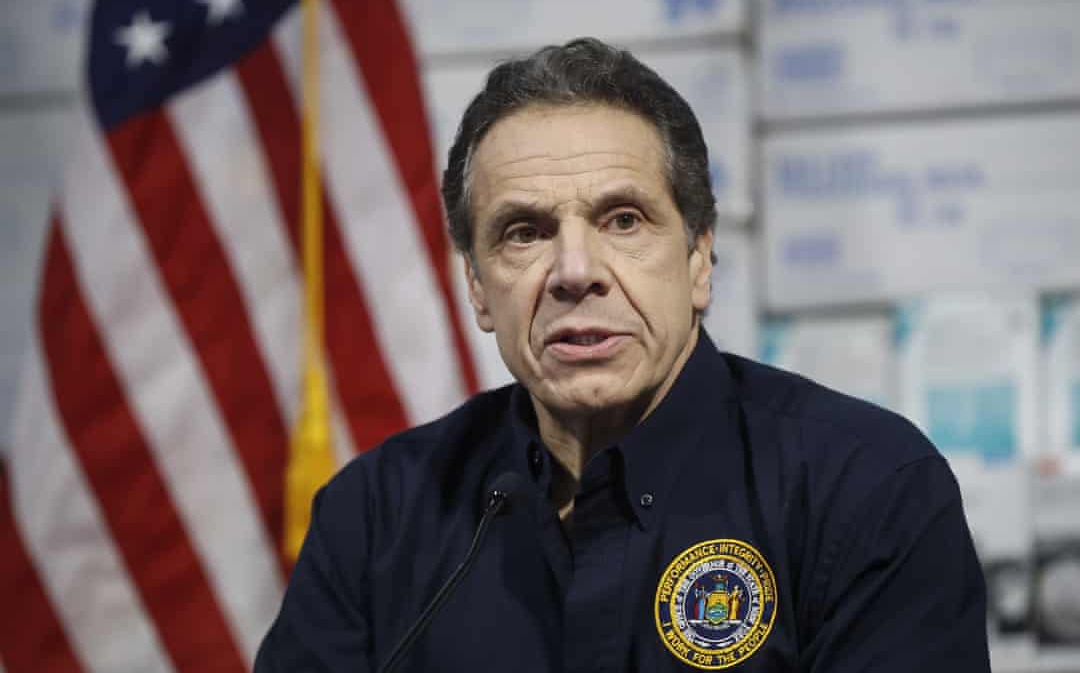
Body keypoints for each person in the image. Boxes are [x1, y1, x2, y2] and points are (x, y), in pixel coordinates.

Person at [255, 38, 990, 672]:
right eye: (524, 233)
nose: (576, 271)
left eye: (623, 219)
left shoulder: (867, 489)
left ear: (699, 260)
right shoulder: (376, 515)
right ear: (478, 289)